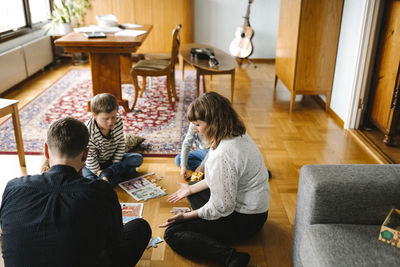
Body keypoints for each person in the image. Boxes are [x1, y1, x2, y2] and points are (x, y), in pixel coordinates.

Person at [0, 117, 151, 267]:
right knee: (140, 227)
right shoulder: (101, 191)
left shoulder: (13, 187)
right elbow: (114, 242)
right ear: (85, 154)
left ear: (46, 150)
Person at [160, 92, 271, 267]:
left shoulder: (222, 155)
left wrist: (186, 216)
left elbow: (222, 207)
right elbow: (219, 178)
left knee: (173, 233)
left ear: (213, 122)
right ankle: (203, 217)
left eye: (197, 124)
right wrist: (190, 189)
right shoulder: (235, 134)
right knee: (193, 191)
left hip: (245, 221)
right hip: (256, 211)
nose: (194, 129)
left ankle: (230, 257)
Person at [83, 93, 143, 186]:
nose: (111, 122)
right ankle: (112, 178)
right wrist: (99, 172)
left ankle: (108, 177)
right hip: (93, 165)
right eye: (106, 118)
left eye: (113, 117)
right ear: (94, 115)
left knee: (137, 158)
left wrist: (114, 166)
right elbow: (90, 158)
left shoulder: (118, 121)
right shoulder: (88, 131)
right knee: (88, 177)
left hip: (112, 162)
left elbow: (121, 144)